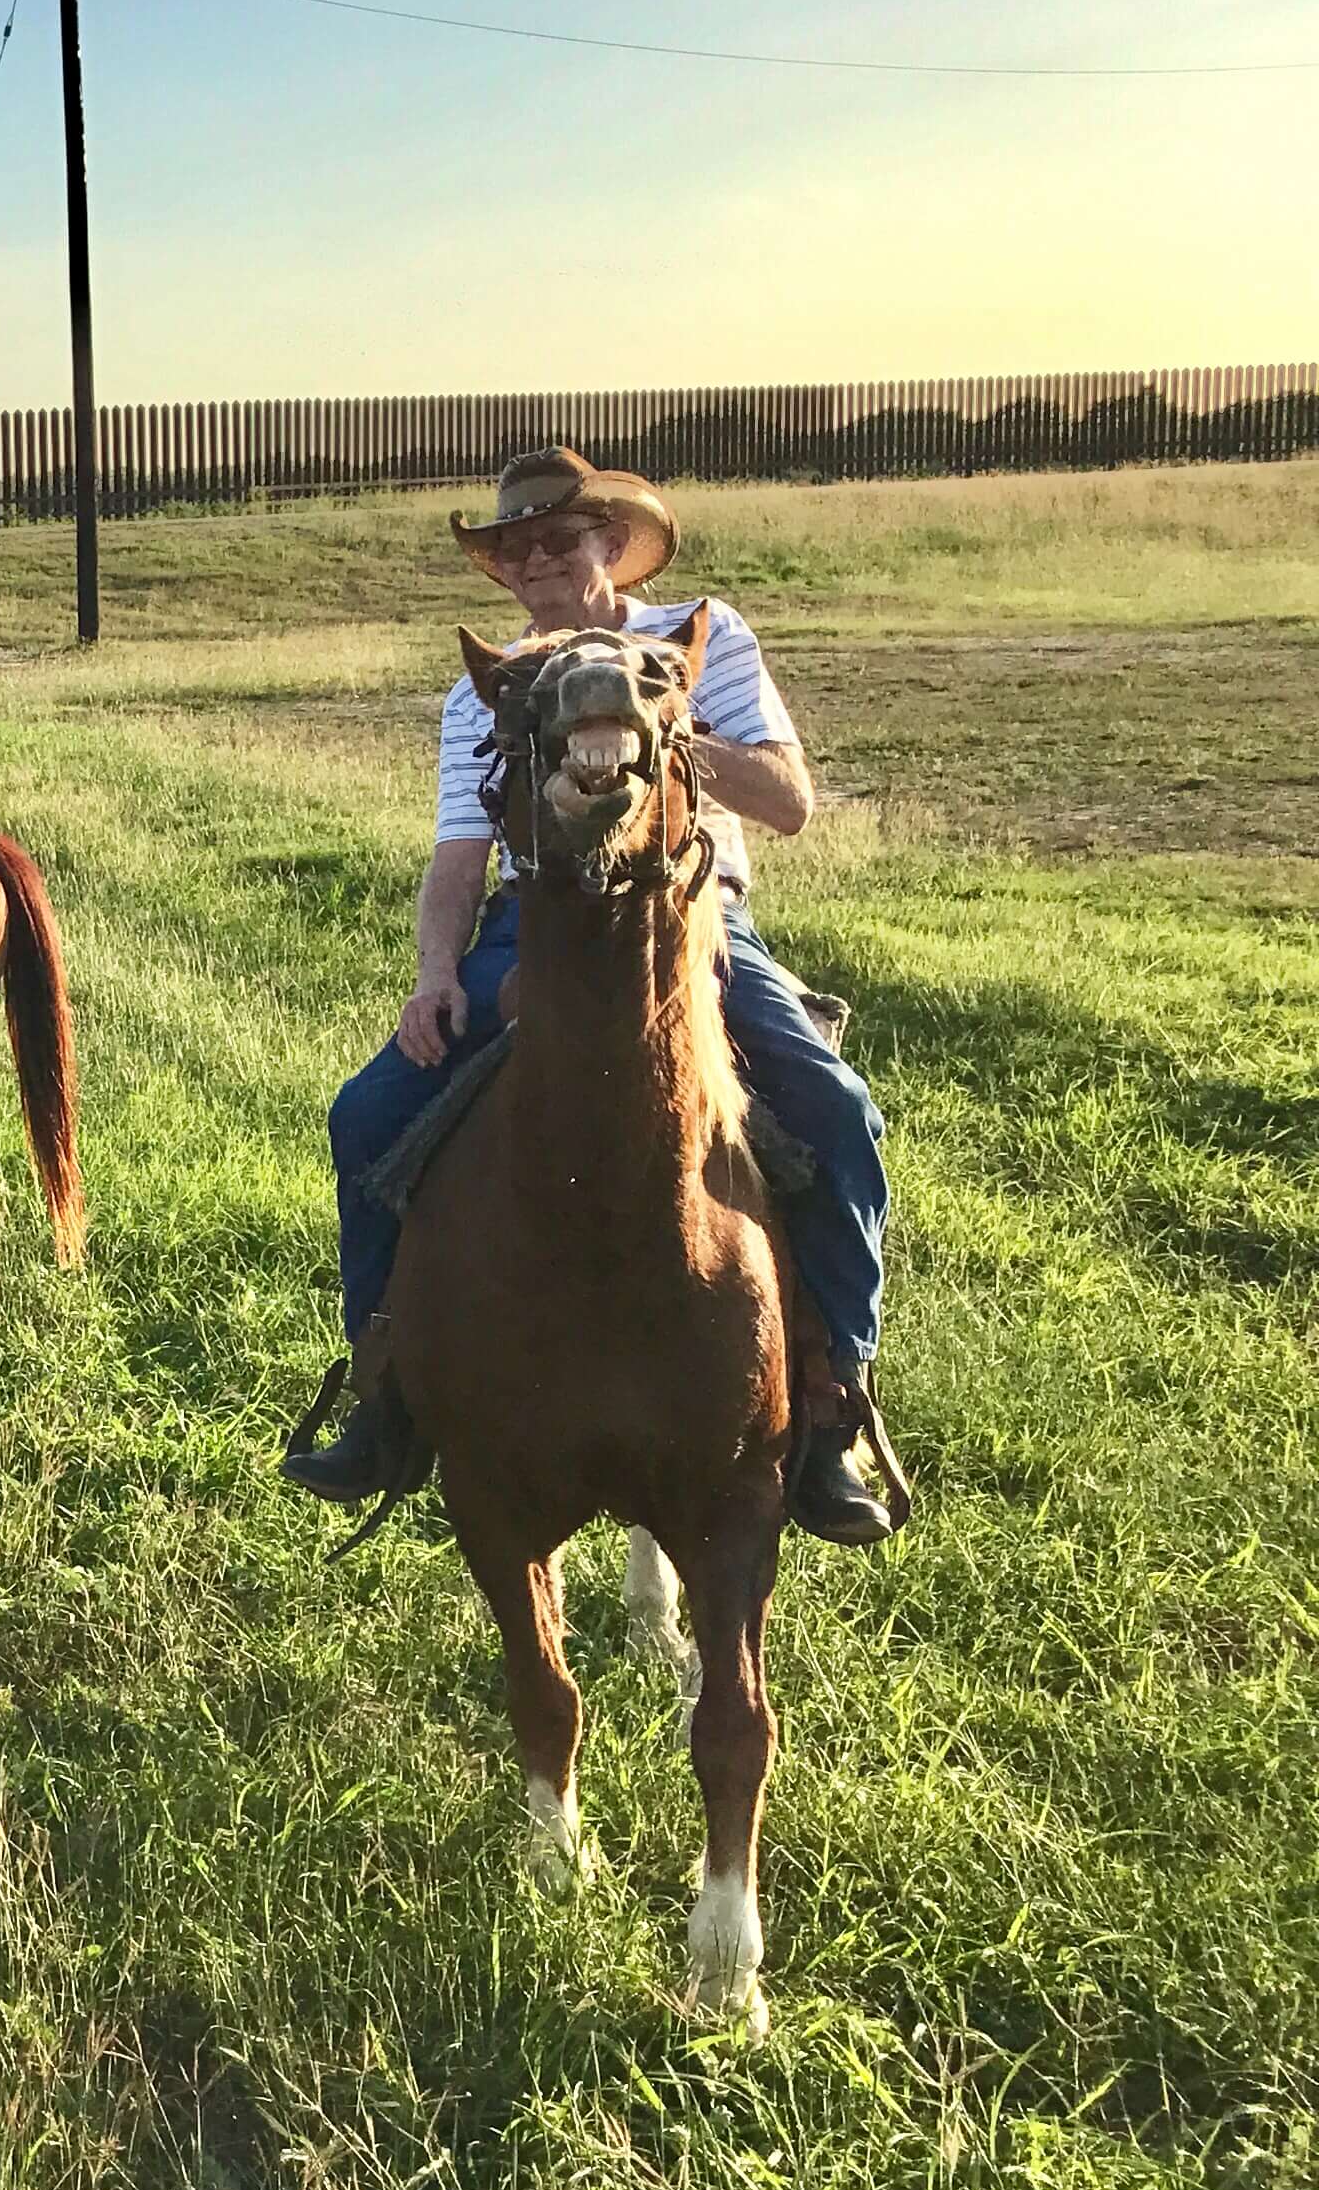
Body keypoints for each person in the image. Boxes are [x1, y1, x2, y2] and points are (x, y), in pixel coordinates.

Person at [284, 447, 903, 1544]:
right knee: (366, 1115)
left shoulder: (701, 636)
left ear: (610, 544)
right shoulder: (483, 690)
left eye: (560, 541)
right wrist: (434, 977)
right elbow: (459, 860)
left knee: (840, 1114)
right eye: (515, 550)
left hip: (693, 922)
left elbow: (790, 801)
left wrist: (650, 730)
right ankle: (385, 1392)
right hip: (535, 925)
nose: (537, 563)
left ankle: (829, 1405)